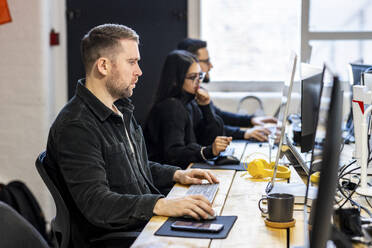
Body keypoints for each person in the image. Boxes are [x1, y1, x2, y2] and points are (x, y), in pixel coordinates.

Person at [44, 24, 219, 248]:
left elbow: (135, 168)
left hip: (142, 226)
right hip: (119, 238)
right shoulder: (77, 126)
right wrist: (162, 205)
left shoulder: (121, 110)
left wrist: (178, 174)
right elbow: (97, 203)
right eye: (132, 62)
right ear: (104, 66)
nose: (139, 71)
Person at [145, 50, 232, 169]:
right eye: (192, 77)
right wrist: (207, 151)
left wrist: (206, 107)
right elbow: (173, 154)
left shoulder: (191, 102)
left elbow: (209, 138)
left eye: (199, 76)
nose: (198, 82)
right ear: (176, 80)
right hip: (170, 179)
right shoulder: (172, 107)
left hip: (185, 170)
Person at [178, 38, 278, 142]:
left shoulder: (199, 91)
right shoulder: (185, 100)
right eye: (207, 61)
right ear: (192, 63)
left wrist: (251, 120)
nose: (211, 65)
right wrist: (244, 133)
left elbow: (218, 115)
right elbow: (206, 131)